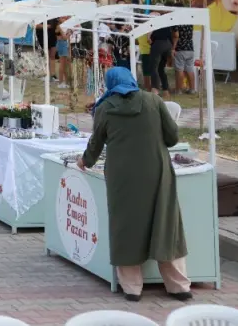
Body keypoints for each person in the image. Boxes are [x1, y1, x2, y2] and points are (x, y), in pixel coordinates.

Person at [78, 67, 191, 302]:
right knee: (165, 222)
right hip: (157, 171)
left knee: (126, 226)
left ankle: (132, 288)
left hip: (122, 176)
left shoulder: (105, 108)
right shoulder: (153, 100)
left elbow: (96, 143)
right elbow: (172, 137)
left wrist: (85, 161)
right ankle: (178, 286)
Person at [145, 18, 175, 96]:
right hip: (168, 44)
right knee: (161, 69)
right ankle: (166, 90)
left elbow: (149, 37)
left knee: (153, 68)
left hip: (158, 44)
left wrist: (149, 38)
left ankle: (155, 89)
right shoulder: (167, 23)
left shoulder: (154, 23)